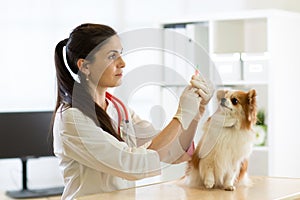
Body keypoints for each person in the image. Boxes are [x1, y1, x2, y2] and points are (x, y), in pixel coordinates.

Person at [52, 23, 213, 200]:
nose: (122, 63)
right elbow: (132, 166)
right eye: (112, 56)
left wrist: (195, 114)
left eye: (120, 53)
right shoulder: (72, 119)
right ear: (84, 66)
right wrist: (181, 115)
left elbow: (176, 154)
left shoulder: (118, 109)